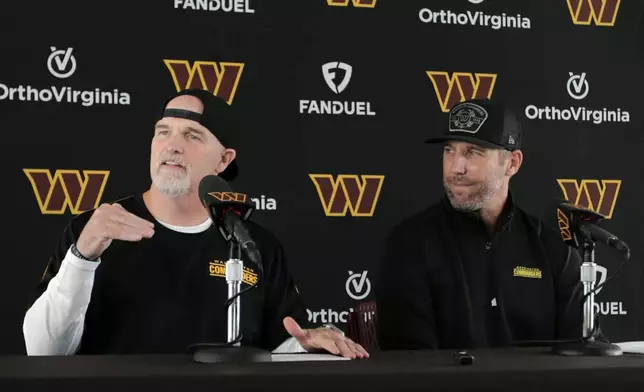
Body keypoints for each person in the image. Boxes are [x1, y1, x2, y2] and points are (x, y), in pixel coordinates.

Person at [23, 88, 369, 359]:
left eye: (192, 136)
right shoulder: (94, 229)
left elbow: (277, 351)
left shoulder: (254, 244)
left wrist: (306, 346)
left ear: (223, 160)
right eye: (163, 132)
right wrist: (83, 257)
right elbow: (43, 351)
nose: (171, 146)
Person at [375, 98, 584, 350]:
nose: (456, 168)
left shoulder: (554, 248)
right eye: (449, 150)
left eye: (472, 152)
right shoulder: (409, 244)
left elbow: (579, 354)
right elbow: (411, 366)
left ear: (512, 163)